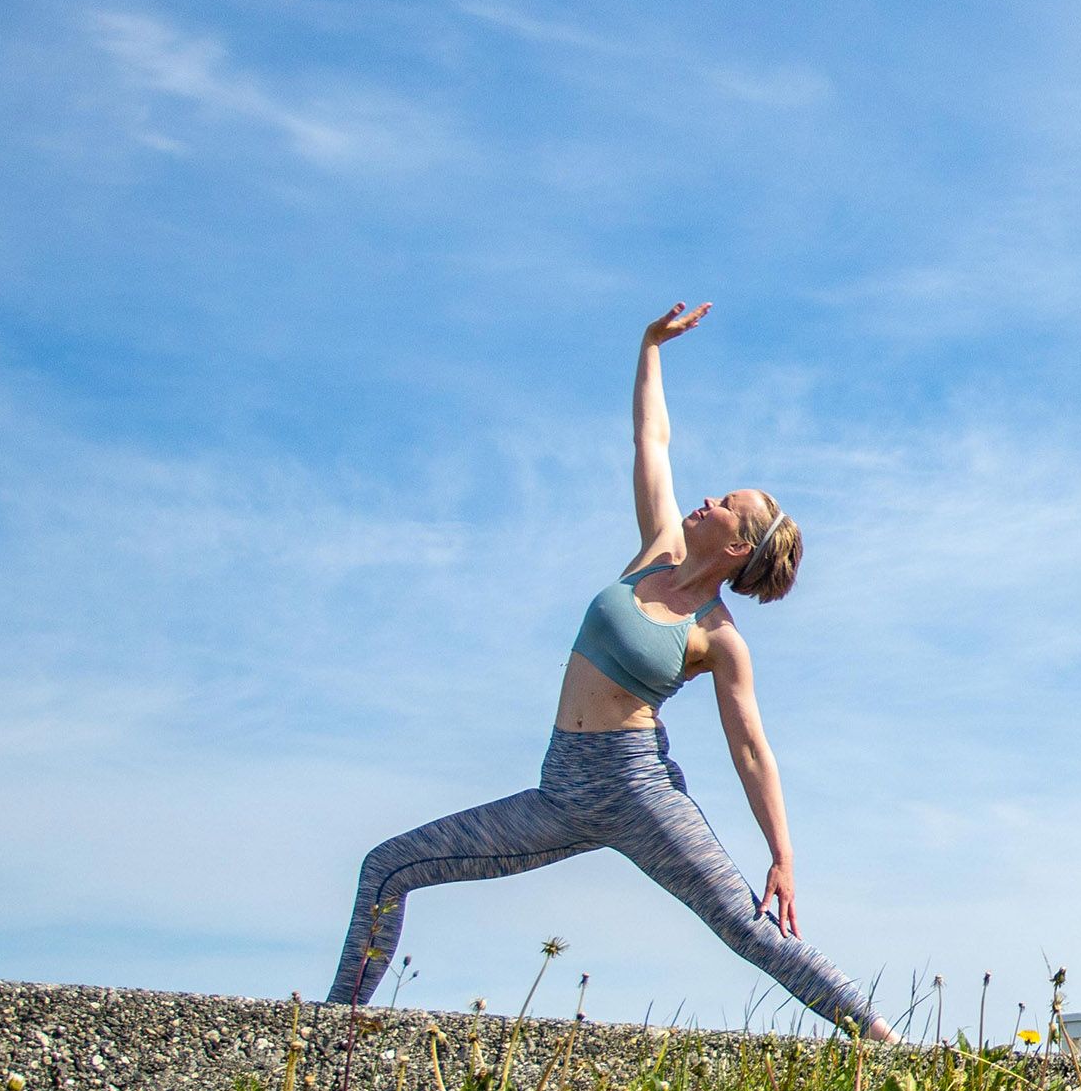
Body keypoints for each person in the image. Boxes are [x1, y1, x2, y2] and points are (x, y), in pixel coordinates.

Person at [319, 305, 886, 1039]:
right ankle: (332, 1031)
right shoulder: (659, 546)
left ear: (740, 546)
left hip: (638, 790)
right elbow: (651, 438)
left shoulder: (718, 637)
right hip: (561, 789)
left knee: (751, 928)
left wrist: (782, 855)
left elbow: (751, 750)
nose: (706, 499)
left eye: (725, 505)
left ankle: (884, 1040)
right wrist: (650, 347)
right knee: (388, 867)